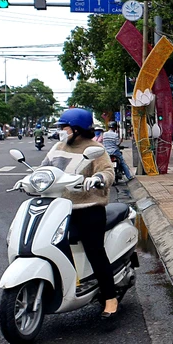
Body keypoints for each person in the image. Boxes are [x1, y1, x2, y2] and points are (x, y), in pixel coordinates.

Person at [41, 108, 119, 318]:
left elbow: (108, 171)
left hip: (88, 208)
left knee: (95, 251)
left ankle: (110, 298)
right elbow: (44, 169)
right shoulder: (57, 147)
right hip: (59, 208)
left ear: (76, 129)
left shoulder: (95, 149)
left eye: (63, 127)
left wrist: (98, 179)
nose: (61, 131)